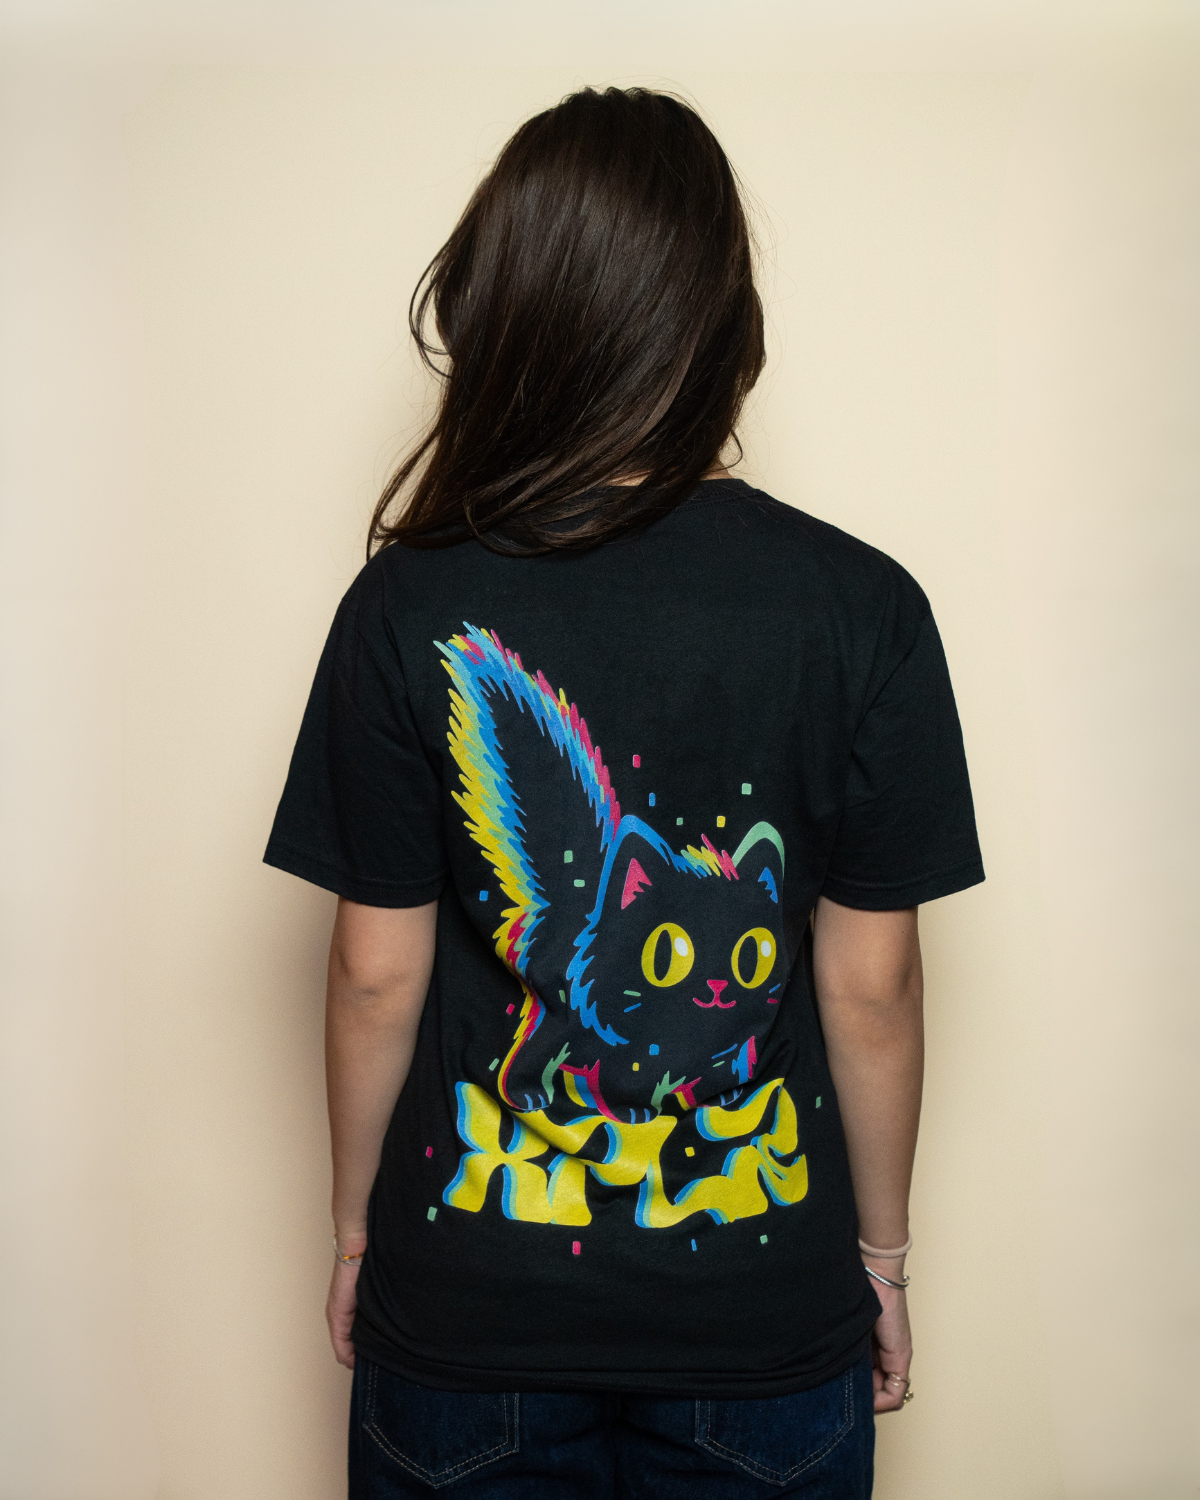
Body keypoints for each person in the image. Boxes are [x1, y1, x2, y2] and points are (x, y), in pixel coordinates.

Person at [264, 85, 983, 1500]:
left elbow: (371, 972)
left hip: (468, 1322)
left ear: (505, 312)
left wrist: (357, 1234)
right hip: (761, 1334)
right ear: (724, 326)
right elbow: (874, 985)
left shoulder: (406, 607)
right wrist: (883, 1262)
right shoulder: (863, 609)